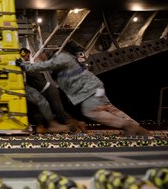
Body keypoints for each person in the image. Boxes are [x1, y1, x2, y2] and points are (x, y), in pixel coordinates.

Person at [16, 48, 151, 136]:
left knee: (94, 110)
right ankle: (137, 128)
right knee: (104, 108)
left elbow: (47, 65)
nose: (40, 58)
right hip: (90, 89)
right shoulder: (58, 67)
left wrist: (24, 65)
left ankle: (131, 127)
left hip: (92, 88)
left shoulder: (62, 58)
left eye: (42, 56)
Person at [19, 48, 86, 133]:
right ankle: (77, 124)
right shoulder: (27, 66)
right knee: (58, 112)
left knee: (58, 113)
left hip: (48, 91)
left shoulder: (26, 67)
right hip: (49, 90)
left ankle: (73, 126)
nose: (28, 58)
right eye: (28, 56)